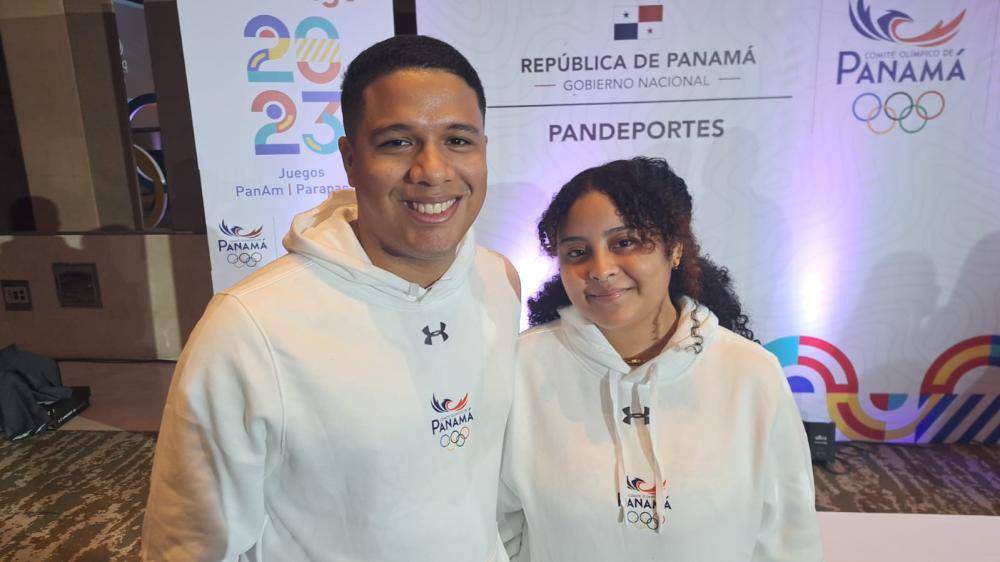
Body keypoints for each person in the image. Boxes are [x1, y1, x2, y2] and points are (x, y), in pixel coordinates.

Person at [142, 35, 521, 561]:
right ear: (350, 159)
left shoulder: (498, 280)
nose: (433, 170)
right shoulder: (249, 326)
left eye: (458, 140)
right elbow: (188, 544)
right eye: (397, 142)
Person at [499, 157, 822, 561]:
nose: (600, 269)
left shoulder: (751, 373)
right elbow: (497, 530)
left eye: (625, 243)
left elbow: (788, 538)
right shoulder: (521, 368)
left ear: (675, 248)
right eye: (577, 252)